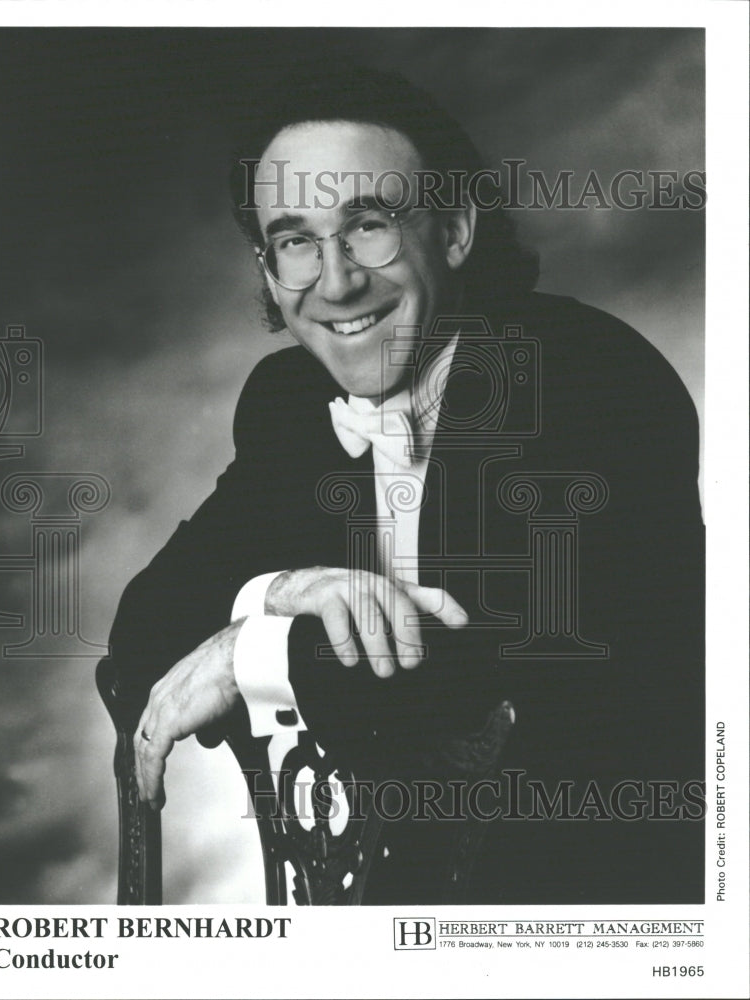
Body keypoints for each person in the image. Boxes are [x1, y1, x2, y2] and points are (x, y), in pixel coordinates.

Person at [102, 65, 704, 903]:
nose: (338, 280)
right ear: (269, 267)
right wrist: (286, 590)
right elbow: (139, 644)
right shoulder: (289, 407)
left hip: (608, 906)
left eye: (370, 227)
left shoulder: (586, 372)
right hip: (395, 920)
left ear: (455, 230)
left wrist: (253, 649)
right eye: (295, 240)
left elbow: (489, 670)